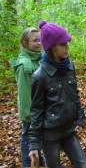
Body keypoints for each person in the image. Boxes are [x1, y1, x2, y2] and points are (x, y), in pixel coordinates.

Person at [28, 21, 86, 168]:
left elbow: (75, 95)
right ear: (52, 47)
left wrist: (80, 119)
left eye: (67, 43)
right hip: (50, 136)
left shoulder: (69, 68)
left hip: (69, 131)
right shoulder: (39, 76)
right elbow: (36, 110)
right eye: (63, 44)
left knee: (83, 164)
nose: (67, 47)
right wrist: (34, 143)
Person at [10, 27, 43, 168]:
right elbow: (24, 94)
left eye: (40, 40)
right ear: (25, 43)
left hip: (41, 108)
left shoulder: (39, 58)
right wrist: (30, 115)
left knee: (38, 140)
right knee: (28, 140)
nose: (39, 43)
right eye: (35, 40)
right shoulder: (25, 65)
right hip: (31, 112)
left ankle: (40, 162)